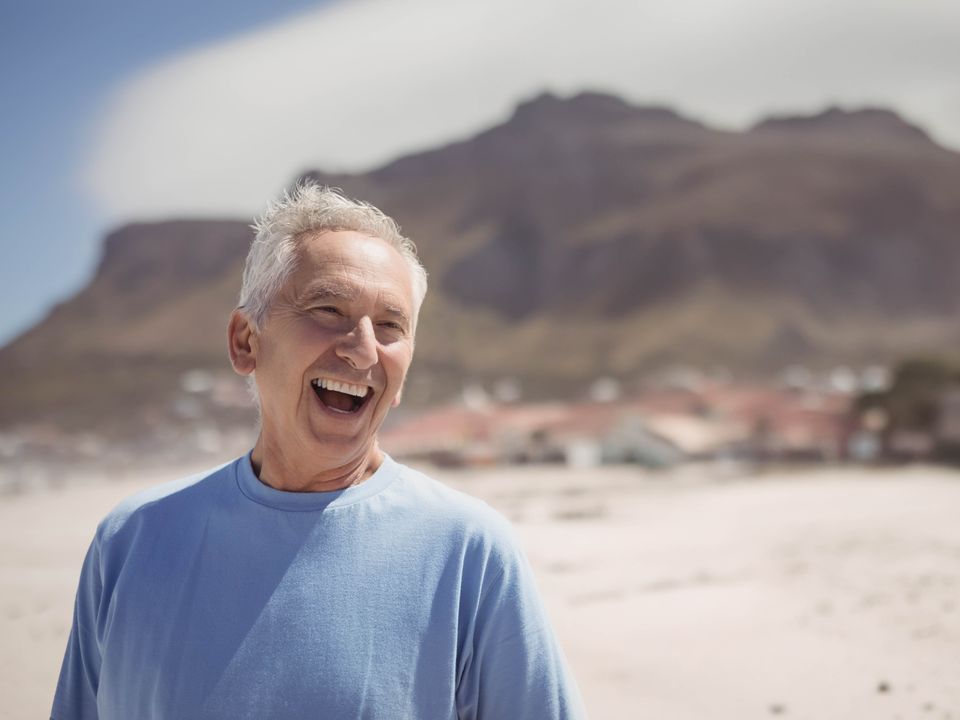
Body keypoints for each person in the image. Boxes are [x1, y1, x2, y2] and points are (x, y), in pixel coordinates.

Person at [51, 182, 587, 719]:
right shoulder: (131, 541)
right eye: (328, 309)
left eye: (389, 326)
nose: (361, 350)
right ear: (245, 342)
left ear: (402, 377)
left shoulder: (469, 552)